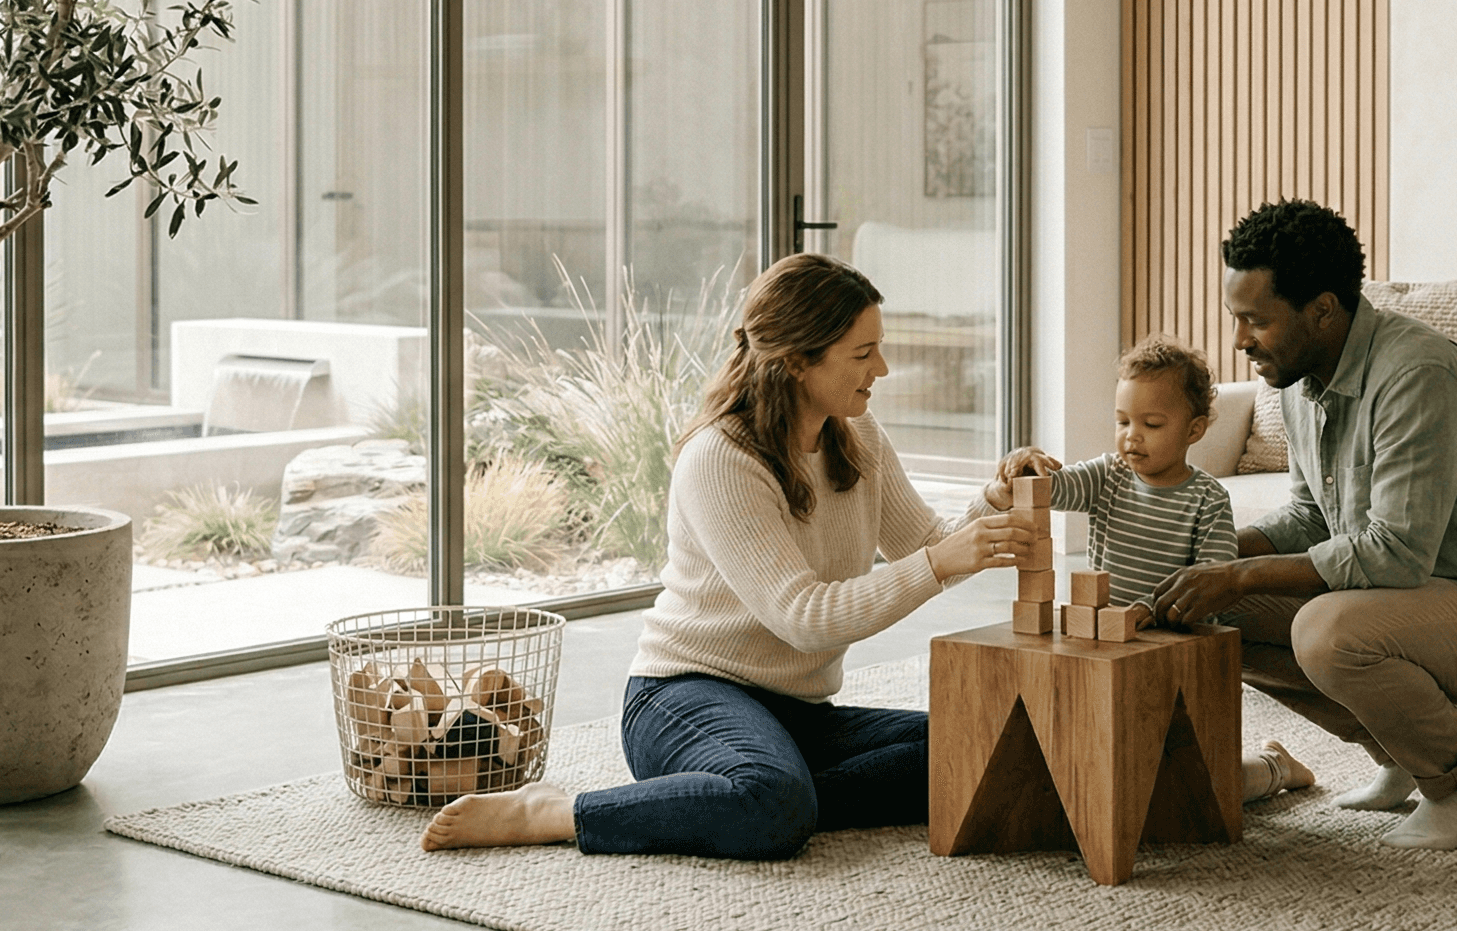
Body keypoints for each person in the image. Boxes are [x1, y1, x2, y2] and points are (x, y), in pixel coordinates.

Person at [420, 253, 1028, 857]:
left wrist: (994, 502)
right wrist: (944, 560)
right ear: (796, 361)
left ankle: (738, 799)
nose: (883, 368)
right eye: (863, 354)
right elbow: (805, 617)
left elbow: (923, 543)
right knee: (775, 804)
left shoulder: (857, 434)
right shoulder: (721, 458)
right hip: (684, 697)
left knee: (986, 744)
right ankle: (560, 813)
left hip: (799, 712)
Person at [1155, 200, 1457, 851]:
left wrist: (1236, 573)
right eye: (1236, 319)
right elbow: (1312, 517)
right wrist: (1203, 555)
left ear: (1323, 309)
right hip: (1408, 605)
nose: (1240, 342)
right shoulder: (1298, 378)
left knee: (1325, 630)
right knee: (1210, 609)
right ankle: (1398, 753)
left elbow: (1395, 554)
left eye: (1256, 321)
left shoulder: (1417, 376)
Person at [980, 336, 1316, 803]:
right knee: (1099, 762)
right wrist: (1025, 464)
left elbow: (1212, 590)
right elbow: (1051, 488)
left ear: (1195, 430)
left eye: (1151, 424)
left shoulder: (1207, 500)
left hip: (1171, 650)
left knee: (1194, 784)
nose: (1131, 436)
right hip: (1102, 643)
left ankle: (1275, 766)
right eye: (1122, 421)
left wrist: (1151, 613)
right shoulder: (1107, 475)